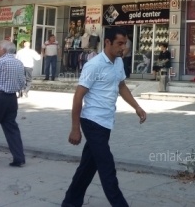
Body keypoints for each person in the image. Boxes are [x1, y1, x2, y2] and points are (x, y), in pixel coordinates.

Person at [62, 27, 147, 207]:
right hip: (92, 121)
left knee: (88, 167)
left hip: (106, 122)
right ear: (107, 42)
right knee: (107, 168)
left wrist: (137, 107)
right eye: (119, 43)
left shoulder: (118, 62)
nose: (123, 47)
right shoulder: (94, 65)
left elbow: (121, 86)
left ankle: (70, 202)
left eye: (125, 43)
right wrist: (75, 128)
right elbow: (78, 96)